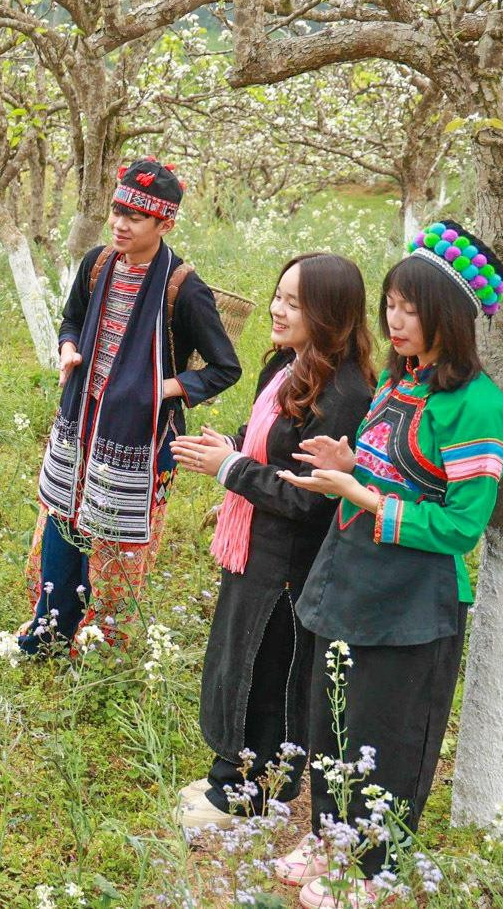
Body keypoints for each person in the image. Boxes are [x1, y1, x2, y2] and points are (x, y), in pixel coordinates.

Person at [273, 221, 503, 908]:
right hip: (349, 576)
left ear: (449, 315)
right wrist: (350, 462)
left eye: (411, 309)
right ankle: (329, 836)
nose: (395, 321)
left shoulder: (478, 409)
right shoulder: (397, 379)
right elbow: (388, 470)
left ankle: (373, 866)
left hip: (414, 599)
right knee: (332, 719)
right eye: (390, 305)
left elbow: (461, 526)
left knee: (387, 735)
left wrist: (359, 493)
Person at [170, 254, 375, 831]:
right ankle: (229, 775)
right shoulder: (287, 365)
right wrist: (233, 453)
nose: (277, 310)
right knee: (237, 660)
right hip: (256, 546)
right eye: (278, 296)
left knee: (269, 672)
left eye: (294, 303)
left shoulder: (344, 393)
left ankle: (253, 793)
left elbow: (310, 496)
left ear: (329, 314)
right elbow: (269, 441)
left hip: (290, 564)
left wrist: (230, 469)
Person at [20, 159, 242, 653]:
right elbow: (72, 319)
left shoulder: (183, 288)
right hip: (81, 421)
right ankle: (51, 628)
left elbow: (224, 367)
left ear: (165, 224)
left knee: (115, 541)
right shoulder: (98, 263)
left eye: (135, 217)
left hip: (138, 436)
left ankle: (102, 645)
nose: (120, 224)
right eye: (117, 211)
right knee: (63, 519)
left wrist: (163, 388)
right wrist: (69, 348)